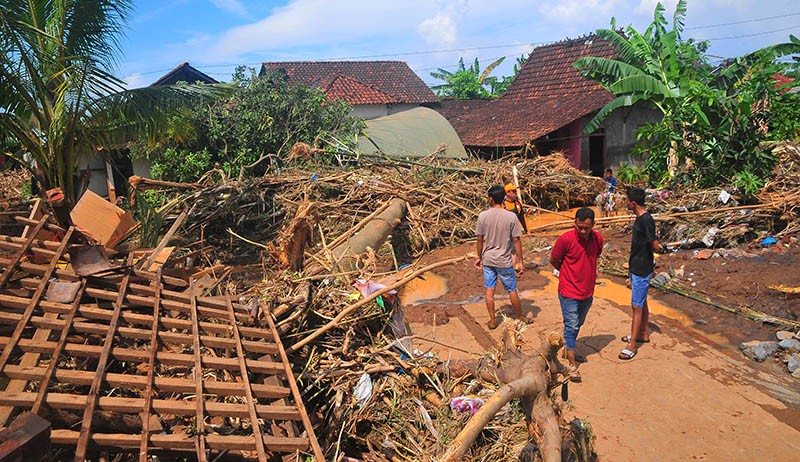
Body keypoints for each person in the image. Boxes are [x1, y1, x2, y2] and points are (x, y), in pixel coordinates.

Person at [550, 207, 603, 382]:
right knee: (571, 325)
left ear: (593, 226)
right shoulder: (566, 239)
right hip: (568, 290)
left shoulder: (598, 239)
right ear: (575, 223)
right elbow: (554, 259)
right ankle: (571, 365)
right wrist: (566, 273)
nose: (582, 231)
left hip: (587, 291)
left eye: (586, 228)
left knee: (578, 323)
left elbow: (596, 256)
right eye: (579, 227)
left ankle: (568, 348)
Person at [620, 187, 665, 361]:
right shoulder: (641, 219)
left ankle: (632, 344)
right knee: (642, 301)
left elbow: (654, 245)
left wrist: (661, 249)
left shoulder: (646, 220)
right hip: (637, 266)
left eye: (627, 200)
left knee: (636, 307)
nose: (626, 203)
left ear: (633, 203)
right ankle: (643, 333)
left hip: (641, 267)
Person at [475, 185, 525, 330]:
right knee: (512, 290)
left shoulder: (482, 216)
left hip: (488, 259)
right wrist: (520, 261)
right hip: (504, 260)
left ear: (490, 199)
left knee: (489, 290)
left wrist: (480, 257)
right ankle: (520, 317)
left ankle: (492, 320)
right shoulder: (511, 216)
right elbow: (516, 240)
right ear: (503, 198)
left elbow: (480, 239)